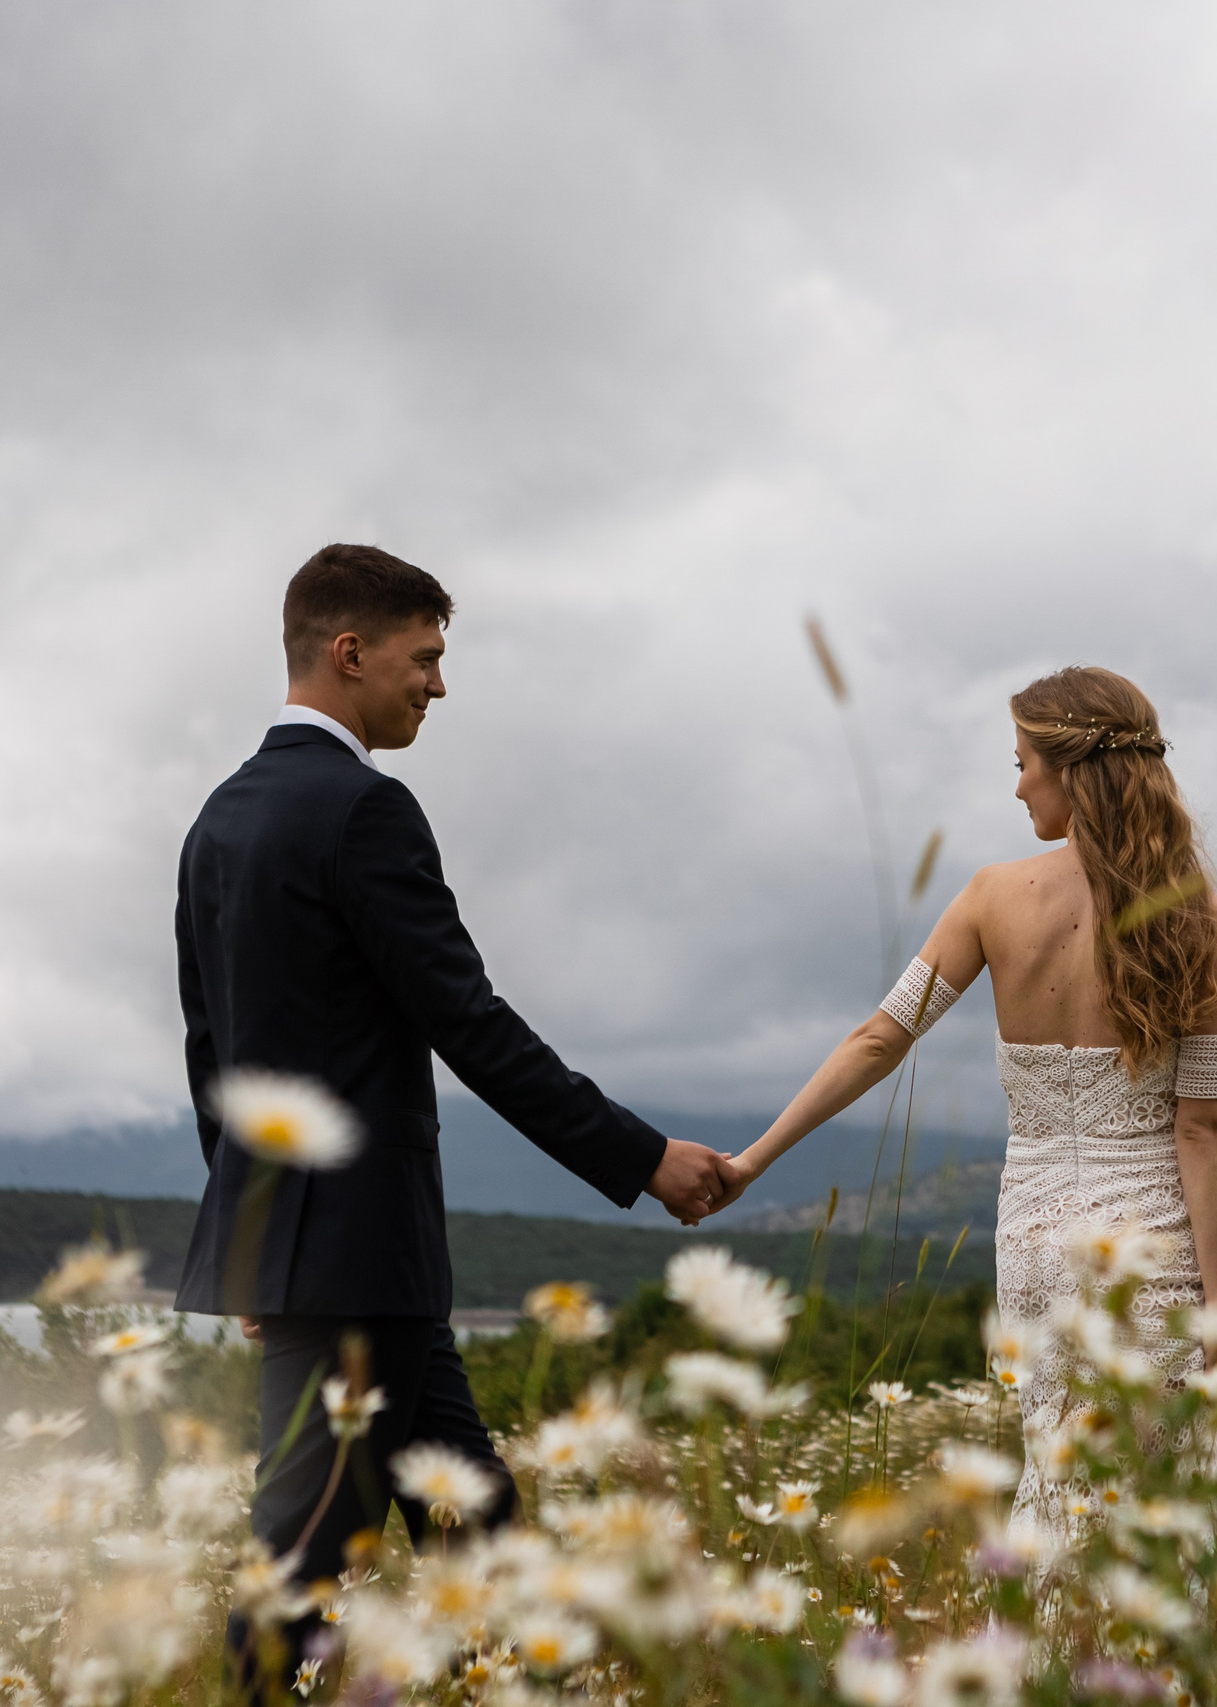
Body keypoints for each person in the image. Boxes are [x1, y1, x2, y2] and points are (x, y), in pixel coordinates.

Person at [170, 544, 736, 1684]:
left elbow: (212, 1056)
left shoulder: (216, 823)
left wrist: (250, 1246)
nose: (438, 684)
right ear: (350, 653)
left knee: (480, 1529)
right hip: (357, 1263)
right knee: (301, 1565)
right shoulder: (366, 813)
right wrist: (642, 1158)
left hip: (326, 1264)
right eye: (424, 658)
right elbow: (470, 1024)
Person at [718, 664, 1217, 1531]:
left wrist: (752, 1160)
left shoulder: (993, 896)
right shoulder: (1207, 921)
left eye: (1022, 762)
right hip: (1154, 1248)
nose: (1017, 785)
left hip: (1032, 1239)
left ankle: (1052, 1658)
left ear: (1069, 770)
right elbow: (1201, 1125)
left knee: (1061, 1478)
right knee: (1155, 1513)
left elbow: (880, 1039)